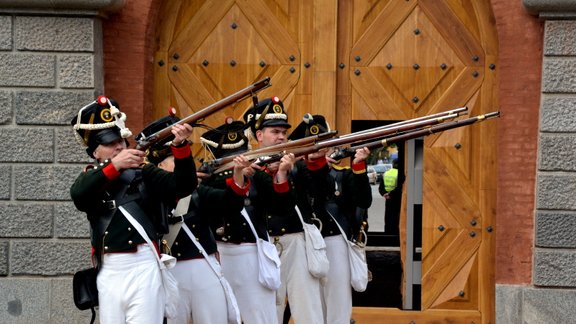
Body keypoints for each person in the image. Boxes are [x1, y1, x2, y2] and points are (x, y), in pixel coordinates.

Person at [69, 96, 197, 324]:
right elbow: (79, 195)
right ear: (94, 153)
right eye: (110, 143)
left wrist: (180, 147)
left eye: (121, 139)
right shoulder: (91, 179)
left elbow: (184, 185)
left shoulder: (145, 172)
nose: (119, 145)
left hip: (144, 266)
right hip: (109, 269)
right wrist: (116, 165)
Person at [138, 115, 251, 324]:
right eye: (176, 161)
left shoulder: (198, 192)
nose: (185, 168)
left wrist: (238, 174)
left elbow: (231, 204)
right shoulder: (147, 195)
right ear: (160, 165)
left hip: (202, 265)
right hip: (170, 270)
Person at [243, 97, 324, 324]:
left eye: (283, 132)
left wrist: (308, 164)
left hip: (296, 240)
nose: (281, 136)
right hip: (263, 243)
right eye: (275, 131)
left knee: (308, 309)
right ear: (259, 136)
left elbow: (320, 192)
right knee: (269, 310)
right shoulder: (245, 166)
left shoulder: (296, 165)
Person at [288, 114, 373, 324]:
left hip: (334, 243)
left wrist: (359, 165)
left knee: (338, 306)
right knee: (310, 306)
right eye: (310, 144)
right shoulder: (295, 173)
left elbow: (364, 200)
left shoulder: (342, 174)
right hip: (305, 244)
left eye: (321, 144)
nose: (317, 149)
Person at [200, 118, 279, 324]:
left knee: (259, 315)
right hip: (219, 252)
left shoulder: (258, 176)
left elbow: (282, 205)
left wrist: (280, 173)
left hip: (252, 252)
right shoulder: (211, 179)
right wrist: (235, 176)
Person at [378, 158, 401, 235]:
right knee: (396, 217)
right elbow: (400, 187)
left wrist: (385, 194)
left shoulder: (386, 173)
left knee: (388, 217)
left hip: (387, 199)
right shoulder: (400, 174)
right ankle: (395, 234)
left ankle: (387, 233)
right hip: (397, 198)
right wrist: (391, 194)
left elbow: (381, 187)